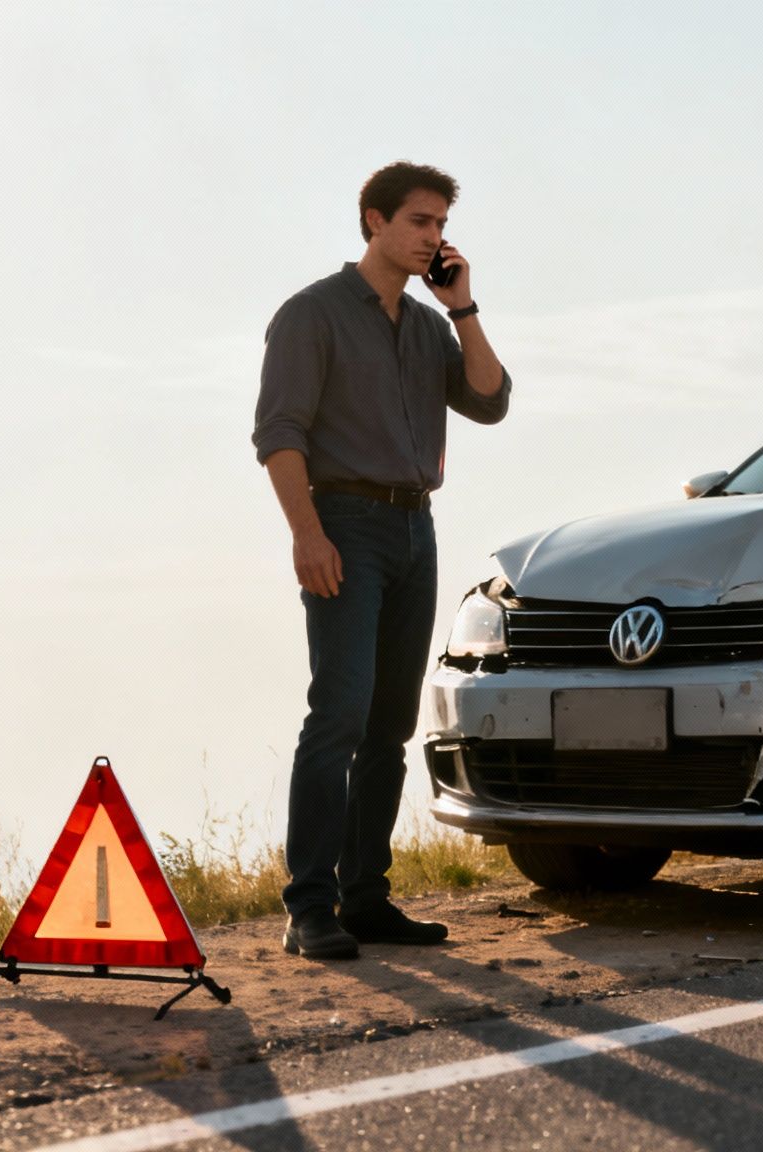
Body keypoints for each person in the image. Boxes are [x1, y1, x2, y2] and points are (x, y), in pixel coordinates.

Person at [252, 162, 511, 960]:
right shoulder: (312, 315)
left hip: (413, 528)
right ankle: (310, 906)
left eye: (439, 226)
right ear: (374, 221)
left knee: (390, 727)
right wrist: (307, 533)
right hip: (343, 523)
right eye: (419, 224)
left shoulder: (431, 326)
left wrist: (461, 306)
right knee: (339, 713)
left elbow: (492, 400)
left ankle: (366, 896)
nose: (433, 237)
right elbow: (279, 435)